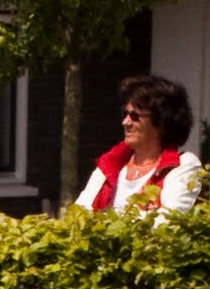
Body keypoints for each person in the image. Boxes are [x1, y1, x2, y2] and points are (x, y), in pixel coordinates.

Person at [75, 75, 202, 217]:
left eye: (135, 116)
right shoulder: (110, 163)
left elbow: (169, 219)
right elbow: (80, 213)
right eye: (125, 114)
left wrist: (104, 220)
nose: (125, 122)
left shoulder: (182, 165)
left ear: (162, 121)